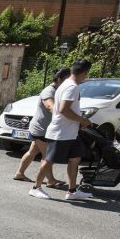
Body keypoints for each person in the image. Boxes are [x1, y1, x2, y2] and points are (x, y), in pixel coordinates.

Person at [29, 58, 94, 201]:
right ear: (85, 72)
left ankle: (72, 191)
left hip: (70, 132)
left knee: (75, 158)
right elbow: (64, 110)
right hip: (61, 132)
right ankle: (35, 188)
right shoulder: (72, 87)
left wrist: (78, 122)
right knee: (49, 160)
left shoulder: (66, 84)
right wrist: (82, 120)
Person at [14, 68, 71, 186]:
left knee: (32, 152)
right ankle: (50, 180)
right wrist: (64, 115)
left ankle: (19, 173)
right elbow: (50, 106)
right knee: (48, 156)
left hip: (42, 128)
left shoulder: (58, 90)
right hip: (41, 129)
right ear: (59, 79)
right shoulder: (49, 91)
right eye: (66, 80)